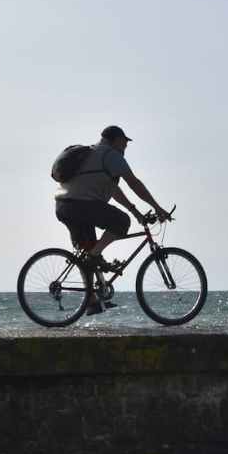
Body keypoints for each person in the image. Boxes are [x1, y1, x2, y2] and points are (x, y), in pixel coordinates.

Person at [54, 125, 172, 313]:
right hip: (82, 206)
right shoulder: (111, 155)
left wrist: (137, 213)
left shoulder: (92, 155)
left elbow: (115, 191)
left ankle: (91, 302)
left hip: (64, 207)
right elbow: (134, 183)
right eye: (125, 141)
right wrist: (158, 208)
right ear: (116, 139)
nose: (126, 145)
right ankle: (93, 256)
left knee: (88, 251)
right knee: (121, 223)